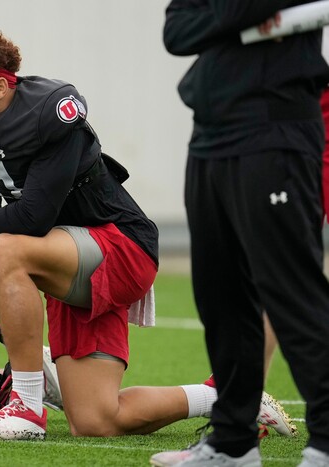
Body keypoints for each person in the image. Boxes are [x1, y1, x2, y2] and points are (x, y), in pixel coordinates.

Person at [0, 28, 295, 442]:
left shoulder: (48, 112)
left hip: (120, 245)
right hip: (69, 259)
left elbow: (33, 218)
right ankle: (228, 394)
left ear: (2, 87)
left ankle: (27, 406)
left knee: (6, 248)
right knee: (96, 422)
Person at [154, 2, 329, 465]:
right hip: (210, 134)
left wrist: (224, 18)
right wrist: (240, 18)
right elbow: (176, 31)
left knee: (291, 292)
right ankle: (233, 441)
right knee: (221, 295)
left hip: (276, 127)